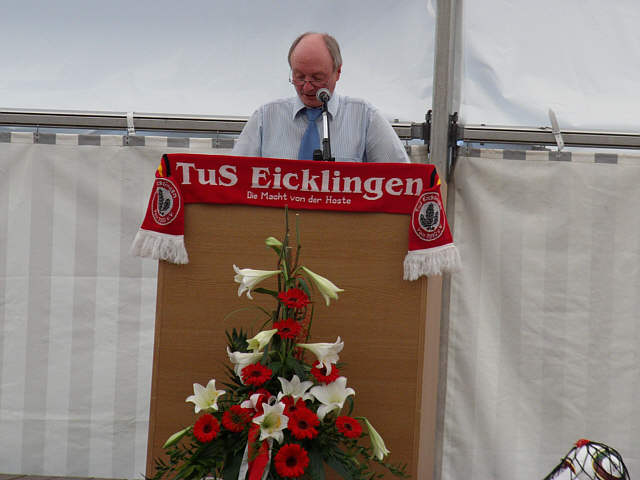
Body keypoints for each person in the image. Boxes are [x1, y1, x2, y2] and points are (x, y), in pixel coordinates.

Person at [232, 32, 410, 163]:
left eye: (317, 78)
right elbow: (233, 175)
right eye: (299, 77)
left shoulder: (365, 117)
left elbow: (402, 179)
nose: (307, 87)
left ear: (337, 72)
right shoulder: (266, 117)